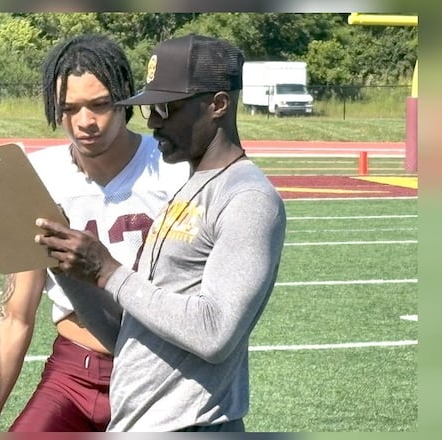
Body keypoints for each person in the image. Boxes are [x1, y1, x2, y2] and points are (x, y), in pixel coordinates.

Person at [35, 34, 287, 432]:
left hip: (191, 425)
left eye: (167, 108)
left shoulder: (248, 196)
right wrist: (68, 265)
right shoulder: (189, 185)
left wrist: (107, 270)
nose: (153, 121)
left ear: (218, 105)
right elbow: (126, 332)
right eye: (150, 108)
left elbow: (214, 333)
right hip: (140, 421)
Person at [0, 34, 189, 432]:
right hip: (74, 373)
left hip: (160, 375)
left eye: (100, 104)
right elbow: (15, 315)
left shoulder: (174, 171)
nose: (85, 122)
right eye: (69, 109)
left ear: (126, 98)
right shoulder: (36, 175)